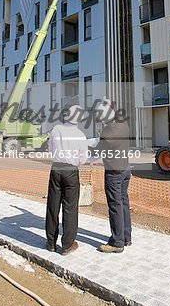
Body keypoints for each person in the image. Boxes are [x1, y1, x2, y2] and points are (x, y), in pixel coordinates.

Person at [45, 105, 88, 256]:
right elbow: (83, 158)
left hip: (56, 168)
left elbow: (50, 148)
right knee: (70, 208)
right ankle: (67, 245)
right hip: (70, 171)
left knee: (52, 206)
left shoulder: (56, 129)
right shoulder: (80, 135)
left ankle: (51, 243)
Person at [92, 98, 132, 253]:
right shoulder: (123, 124)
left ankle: (117, 243)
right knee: (123, 202)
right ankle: (126, 237)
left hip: (114, 172)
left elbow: (95, 152)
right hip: (126, 169)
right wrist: (110, 103)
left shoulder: (108, 132)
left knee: (115, 205)